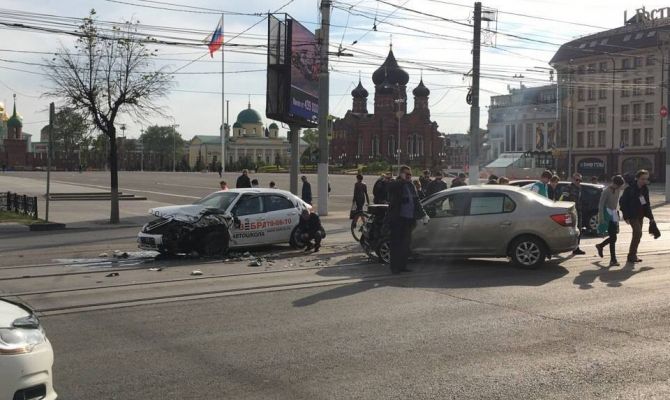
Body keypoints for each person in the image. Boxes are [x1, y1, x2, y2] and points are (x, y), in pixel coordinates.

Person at [387, 165, 429, 274]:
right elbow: (391, 190)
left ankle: (403, 266)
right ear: (401, 174)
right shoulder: (395, 184)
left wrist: (424, 215)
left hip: (409, 219)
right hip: (398, 219)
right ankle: (394, 267)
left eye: (410, 174)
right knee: (396, 244)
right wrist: (402, 180)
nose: (409, 176)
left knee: (406, 244)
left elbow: (416, 202)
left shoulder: (411, 185)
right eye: (407, 174)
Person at [619, 169, 654, 263]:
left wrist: (651, 217)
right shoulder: (629, 189)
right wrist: (625, 216)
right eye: (642, 179)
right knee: (638, 233)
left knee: (637, 235)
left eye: (646, 179)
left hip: (640, 215)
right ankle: (632, 255)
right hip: (632, 215)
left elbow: (646, 204)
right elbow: (622, 202)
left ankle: (632, 255)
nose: (644, 181)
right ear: (637, 178)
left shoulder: (645, 189)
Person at [595, 175, 625, 267]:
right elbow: (600, 205)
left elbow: (616, 203)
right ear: (614, 183)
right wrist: (601, 218)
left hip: (614, 214)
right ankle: (613, 259)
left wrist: (617, 216)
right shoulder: (606, 191)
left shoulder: (618, 189)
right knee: (613, 237)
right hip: (607, 214)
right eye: (619, 185)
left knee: (614, 237)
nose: (620, 187)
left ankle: (600, 246)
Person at [562, 173, 585, 255]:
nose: (578, 181)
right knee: (569, 230)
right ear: (572, 179)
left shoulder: (580, 188)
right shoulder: (567, 188)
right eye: (577, 180)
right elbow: (564, 200)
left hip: (578, 211)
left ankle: (576, 248)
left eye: (580, 180)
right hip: (570, 212)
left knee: (579, 230)